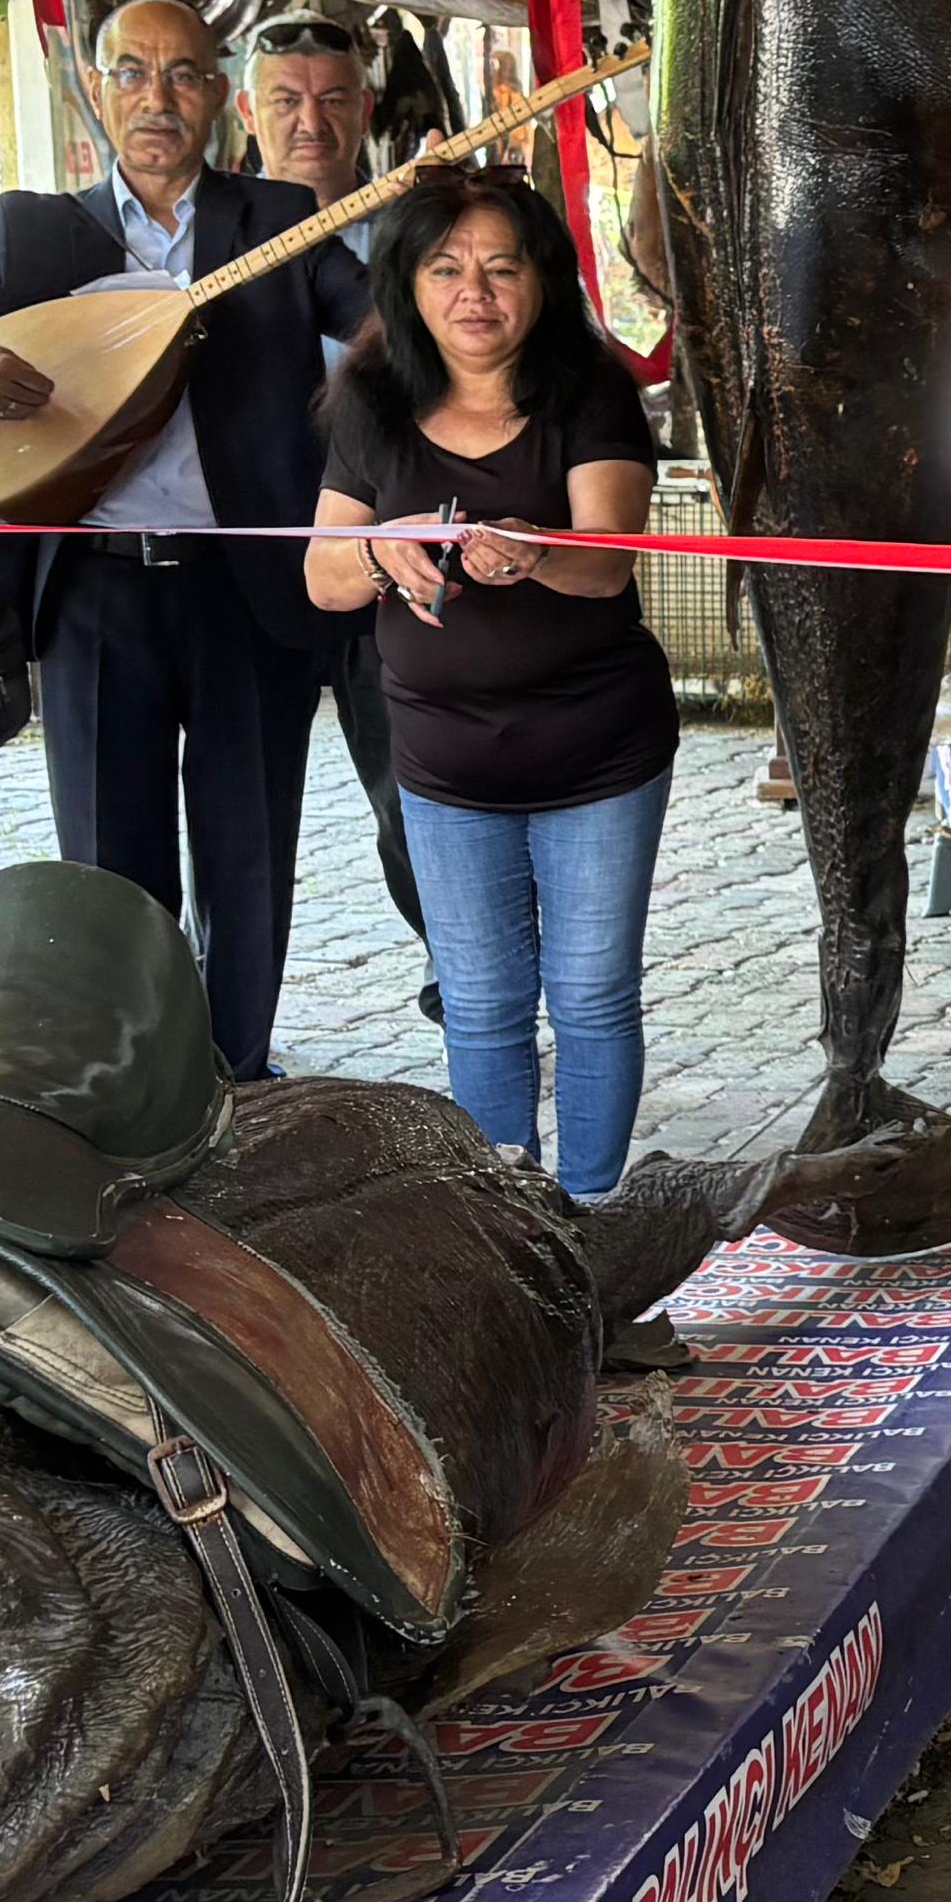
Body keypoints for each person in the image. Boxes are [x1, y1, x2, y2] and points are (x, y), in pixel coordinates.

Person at [0, 0, 367, 1081]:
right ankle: (129, 1084)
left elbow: (385, 328)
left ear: (219, 96)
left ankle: (240, 1076)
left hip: (245, 584)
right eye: (132, 73)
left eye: (182, 75)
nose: (156, 99)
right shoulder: (33, 231)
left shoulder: (277, 218)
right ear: (97, 89)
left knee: (247, 849)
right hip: (91, 593)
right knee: (107, 860)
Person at [308, 170, 671, 1199]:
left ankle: (595, 1219)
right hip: (443, 767)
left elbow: (606, 558)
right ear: (406, 284)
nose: (476, 292)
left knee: (593, 996)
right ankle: (503, 1224)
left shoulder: (590, 391)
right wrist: (384, 549)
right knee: (479, 1003)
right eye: (446, 268)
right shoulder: (371, 403)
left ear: (542, 282)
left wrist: (531, 549)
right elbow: (323, 576)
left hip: (598, 754)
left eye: (501, 268)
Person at [238, 13, 432, 990]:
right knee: (238, 818)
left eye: (330, 99)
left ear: (363, 110)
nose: (308, 122)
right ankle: (221, 1023)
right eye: (284, 99)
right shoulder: (214, 234)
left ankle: (464, 974)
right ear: (249, 110)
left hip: (379, 564)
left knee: (411, 799)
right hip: (248, 574)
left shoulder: (412, 229)